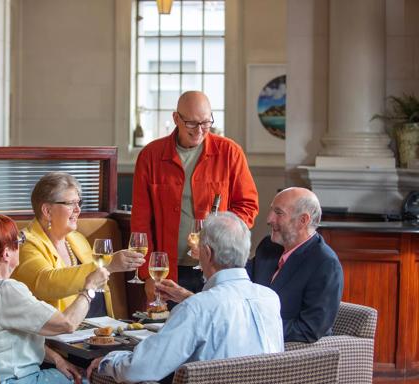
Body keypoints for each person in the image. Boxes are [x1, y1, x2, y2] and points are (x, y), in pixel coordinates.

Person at [86, 212, 283, 383]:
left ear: (207, 253)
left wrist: (107, 361)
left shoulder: (197, 308)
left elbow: (139, 369)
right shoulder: (270, 299)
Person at [131, 90, 259, 301]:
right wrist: (148, 273)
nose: (199, 130)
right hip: (168, 271)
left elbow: (248, 207)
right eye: (191, 123)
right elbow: (141, 222)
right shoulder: (150, 156)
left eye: (206, 123)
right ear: (176, 118)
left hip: (217, 267)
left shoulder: (230, 153)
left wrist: (219, 239)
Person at [0, 214, 109, 384]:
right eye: (18, 242)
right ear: (6, 253)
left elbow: (16, 338)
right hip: (12, 380)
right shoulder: (5, 290)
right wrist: (90, 288)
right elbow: (67, 323)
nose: (20, 246)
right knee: (92, 379)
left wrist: (57, 359)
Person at [12, 172, 144, 317]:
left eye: (78, 203)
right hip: (59, 333)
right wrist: (108, 264)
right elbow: (46, 283)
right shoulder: (26, 244)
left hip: (99, 330)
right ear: (47, 211)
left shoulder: (77, 239)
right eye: (70, 204)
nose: (78, 210)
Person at [246, 187, 344, 343]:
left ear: (303, 220)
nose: (269, 219)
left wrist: (251, 328)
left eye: (278, 213)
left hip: (289, 356)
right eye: (272, 211)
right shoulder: (268, 246)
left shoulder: (325, 264)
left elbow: (310, 329)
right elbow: (241, 281)